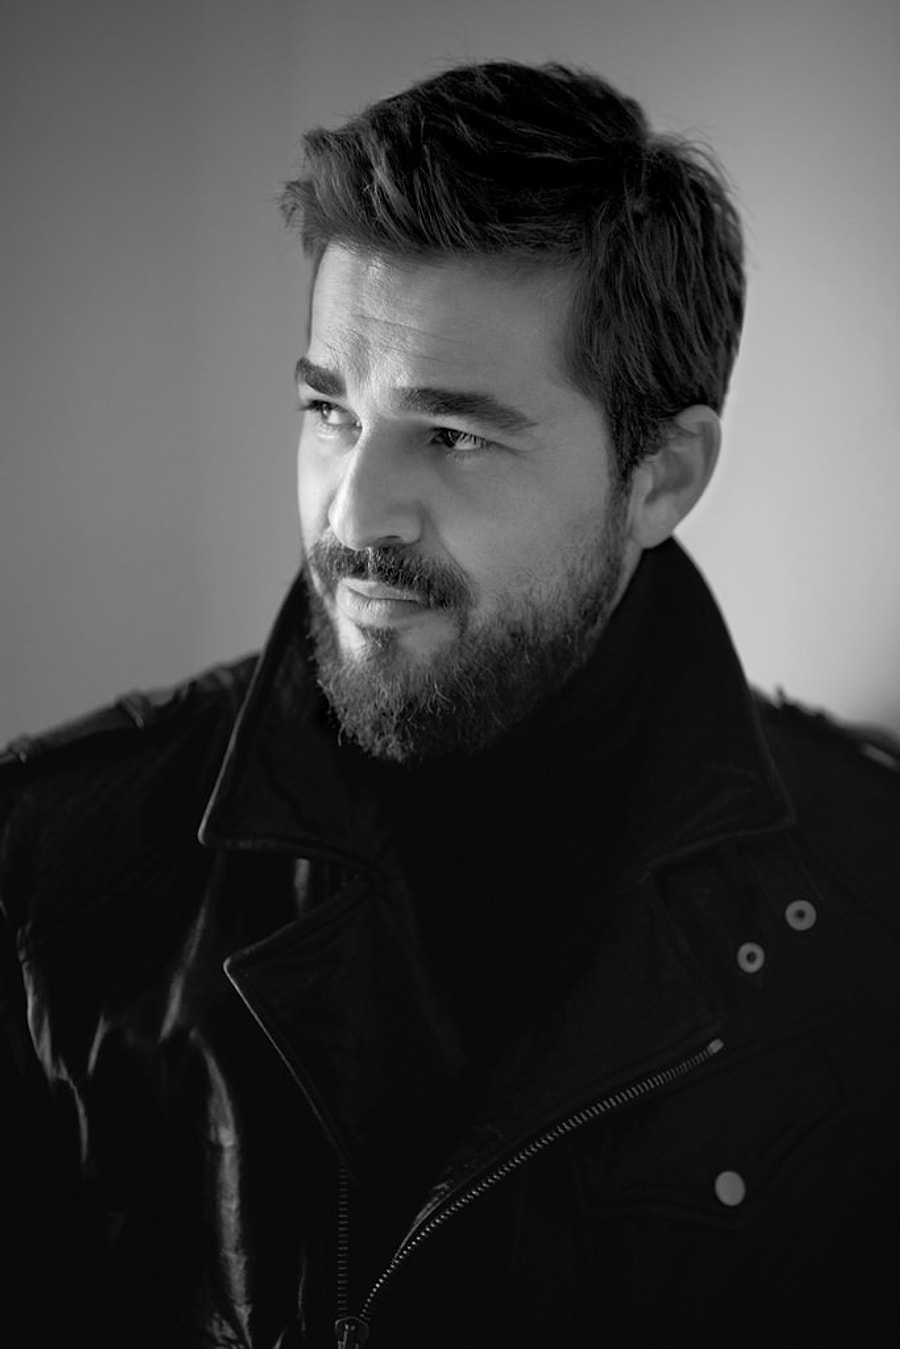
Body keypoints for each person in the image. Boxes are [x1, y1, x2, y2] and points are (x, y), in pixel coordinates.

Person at [1, 60, 898, 1349]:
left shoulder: (875, 902)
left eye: (455, 436)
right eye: (329, 409)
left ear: (661, 477)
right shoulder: (48, 878)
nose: (354, 517)